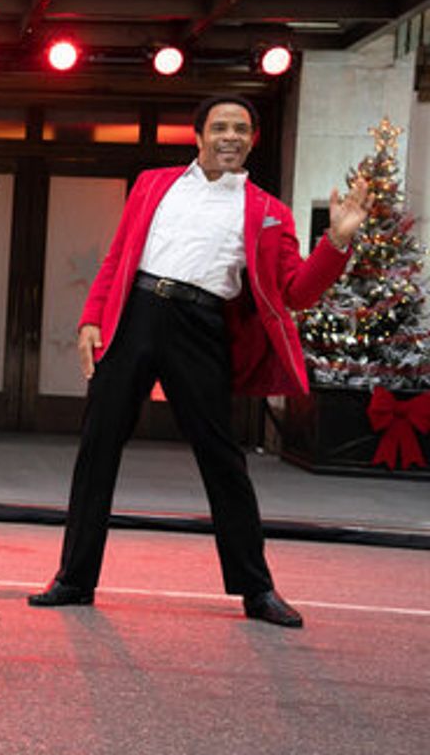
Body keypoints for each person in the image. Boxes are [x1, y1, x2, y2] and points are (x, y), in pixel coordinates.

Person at [28, 94, 370, 627]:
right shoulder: (153, 183)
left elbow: (297, 292)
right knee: (98, 448)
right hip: (136, 314)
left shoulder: (269, 212)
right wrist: (92, 318)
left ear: (253, 139)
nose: (229, 136)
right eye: (219, 127)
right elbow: (119, 255)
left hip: (201, 327)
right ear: (199, 136)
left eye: (241, 129)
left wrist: (338, 242)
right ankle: (74, 579)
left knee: (222, 459)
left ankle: (257, 592)